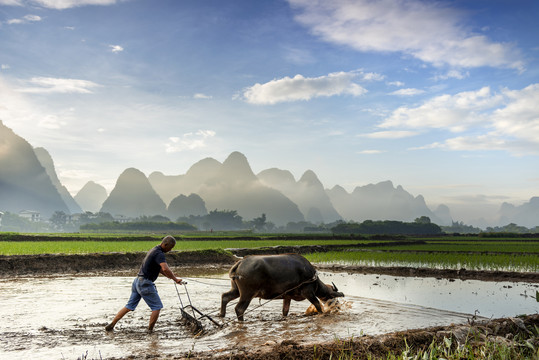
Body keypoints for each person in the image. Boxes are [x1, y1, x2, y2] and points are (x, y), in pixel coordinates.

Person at [105, 235, 183, 332]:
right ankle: (150, 331)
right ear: (165, 244)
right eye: (170, 248)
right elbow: (165, 268)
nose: (170, 250)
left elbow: (160, 269)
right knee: (157, 307)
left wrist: (171, 276)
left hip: (137, 281)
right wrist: (175, 279)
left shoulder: (154, 250)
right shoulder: (159, 254)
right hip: (145, 283)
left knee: (129, 306)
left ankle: (112, 325)